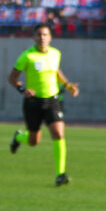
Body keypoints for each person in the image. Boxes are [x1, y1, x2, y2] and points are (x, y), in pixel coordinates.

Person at [8, 23, 80, 186]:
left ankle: (60, 174)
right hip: (33, 102)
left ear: (50, 37)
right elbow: (12, 77)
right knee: (34, 141)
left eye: (45, 34)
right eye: (39, 34)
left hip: (52, 100)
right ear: (34, 37)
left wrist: (67, 85)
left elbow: (56, 72)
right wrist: (22, 89)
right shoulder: (27, 56)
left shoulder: (55, 54)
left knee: (58, 134)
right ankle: (19, 136)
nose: (42, 37)